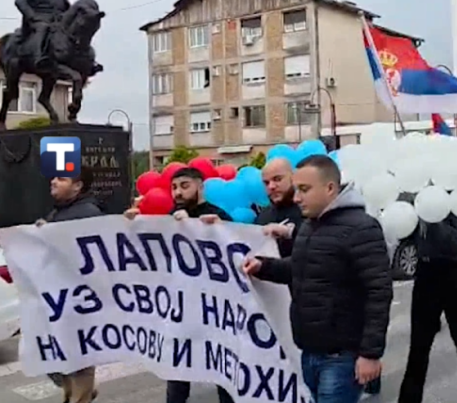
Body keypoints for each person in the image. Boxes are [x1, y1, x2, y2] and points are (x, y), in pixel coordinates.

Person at [243, 155, 392, 403]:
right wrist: (263, 267)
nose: (297, 197)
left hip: (341, 357)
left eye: (304, 189)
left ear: (330, 188)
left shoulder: (362, 228)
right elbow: (299, 268)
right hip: (309, 351)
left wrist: (370, 354)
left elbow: (379, 292)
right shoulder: (310, 225)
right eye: (297, 189)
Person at [125, 167, 236, 403]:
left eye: (185, 186)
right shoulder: (167, 218)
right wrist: (133, 227)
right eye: (174, 187)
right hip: (179, 308)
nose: (178, 192)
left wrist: (194, 227)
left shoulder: (217, 216)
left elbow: (233, 251)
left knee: (222, 372)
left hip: (213, 310)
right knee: (176, 372)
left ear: (200, 187)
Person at [397, 212, 457, 403]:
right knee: (419, 342)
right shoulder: (422, 196)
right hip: (427, 271)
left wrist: (434, 216)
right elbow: (410, 236)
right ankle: (409, 399)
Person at [36, 169, 102, 403]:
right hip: (59, 298)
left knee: (79, 357)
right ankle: (75, 394)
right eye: (54, 177)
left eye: (61, 178)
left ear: (78, 186)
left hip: (78, 301)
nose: (53, 181)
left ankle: (80, 396)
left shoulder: (86, 213)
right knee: (59, 356)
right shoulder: (60, 212)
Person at [15, 0, 71, 68]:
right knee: (43, 28)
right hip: (38, 20)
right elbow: (20, 1)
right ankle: (38, 57)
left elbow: (67, 6)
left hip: (56, 21)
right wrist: (32, 16)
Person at [254, 157, 304, 257]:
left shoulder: (308, 208)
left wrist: (290, 233)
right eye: (266, 183)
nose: (271, 186)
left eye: (277, 179)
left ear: (293, 178)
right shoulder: (263, 216)